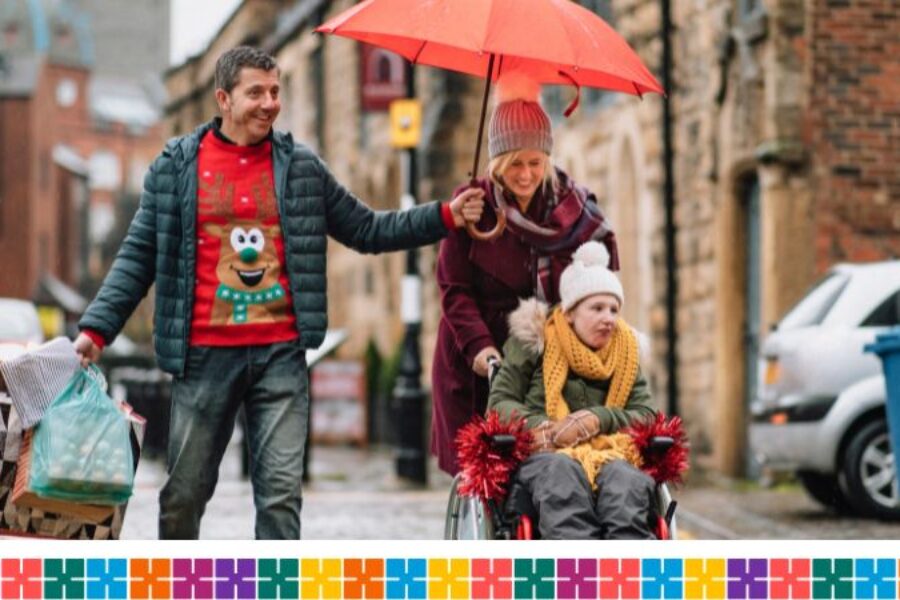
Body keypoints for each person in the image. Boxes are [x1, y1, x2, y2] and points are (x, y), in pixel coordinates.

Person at [73, 46, 484, 540]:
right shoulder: (177, 166)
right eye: (255, 93)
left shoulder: (301, 168)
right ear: (223, 98)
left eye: (275, 91)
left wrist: (444, 215)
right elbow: (138, 253)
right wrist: (98, 328)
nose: (269, 103)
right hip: (203, 356)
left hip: (280, 355)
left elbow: (367, 228)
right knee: (183, 495)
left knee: (281, 498)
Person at [430, 71, 619, 475]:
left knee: (551, 468)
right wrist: (480, 347)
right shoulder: (473, 206)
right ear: (497, 161)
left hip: (547, 361)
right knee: (484, 477)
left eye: (535, 162)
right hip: (476, 357)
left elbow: (602, 278)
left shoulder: (573, 210)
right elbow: (453, 288)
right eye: (514, 163)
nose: (525, 174)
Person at [487, 240, 658, 540]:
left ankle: (626, 575)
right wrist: (548, 429)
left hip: (610, 452)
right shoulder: (533, 343)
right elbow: (500, 402)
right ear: (569, 313)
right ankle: (576, 572)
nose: (609, 318)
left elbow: (644, 414)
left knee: (625, 482)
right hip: (545, 454)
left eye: (614, 309)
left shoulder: (626, 352)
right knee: (561, 473)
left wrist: (597, 419)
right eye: (597, 308)